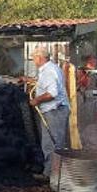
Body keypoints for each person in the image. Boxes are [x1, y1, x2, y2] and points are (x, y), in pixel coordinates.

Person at [28, 46, 70, 177]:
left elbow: (52, 93)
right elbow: (45, 84)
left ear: (40, 58)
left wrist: (36, 100)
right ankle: (55, 173)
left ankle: (50, 175)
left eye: (34, 58)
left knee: (51, 143)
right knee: (54, 142)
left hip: (54, 111)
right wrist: (29, 80)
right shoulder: (49, 69)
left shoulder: (48, 71)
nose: (33, 61)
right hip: (54, 111)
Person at [76, 55, 97, 130]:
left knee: (96, 94)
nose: (95, 64)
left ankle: (90, 120)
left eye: (95, 62)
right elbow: (79, 83)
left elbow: (87, 84)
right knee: (80, 107)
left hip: (85, 91)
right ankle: (80, 125)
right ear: (88, 62)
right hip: (79, 92)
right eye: (93, 62)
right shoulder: (80, 70)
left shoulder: (90, 71)